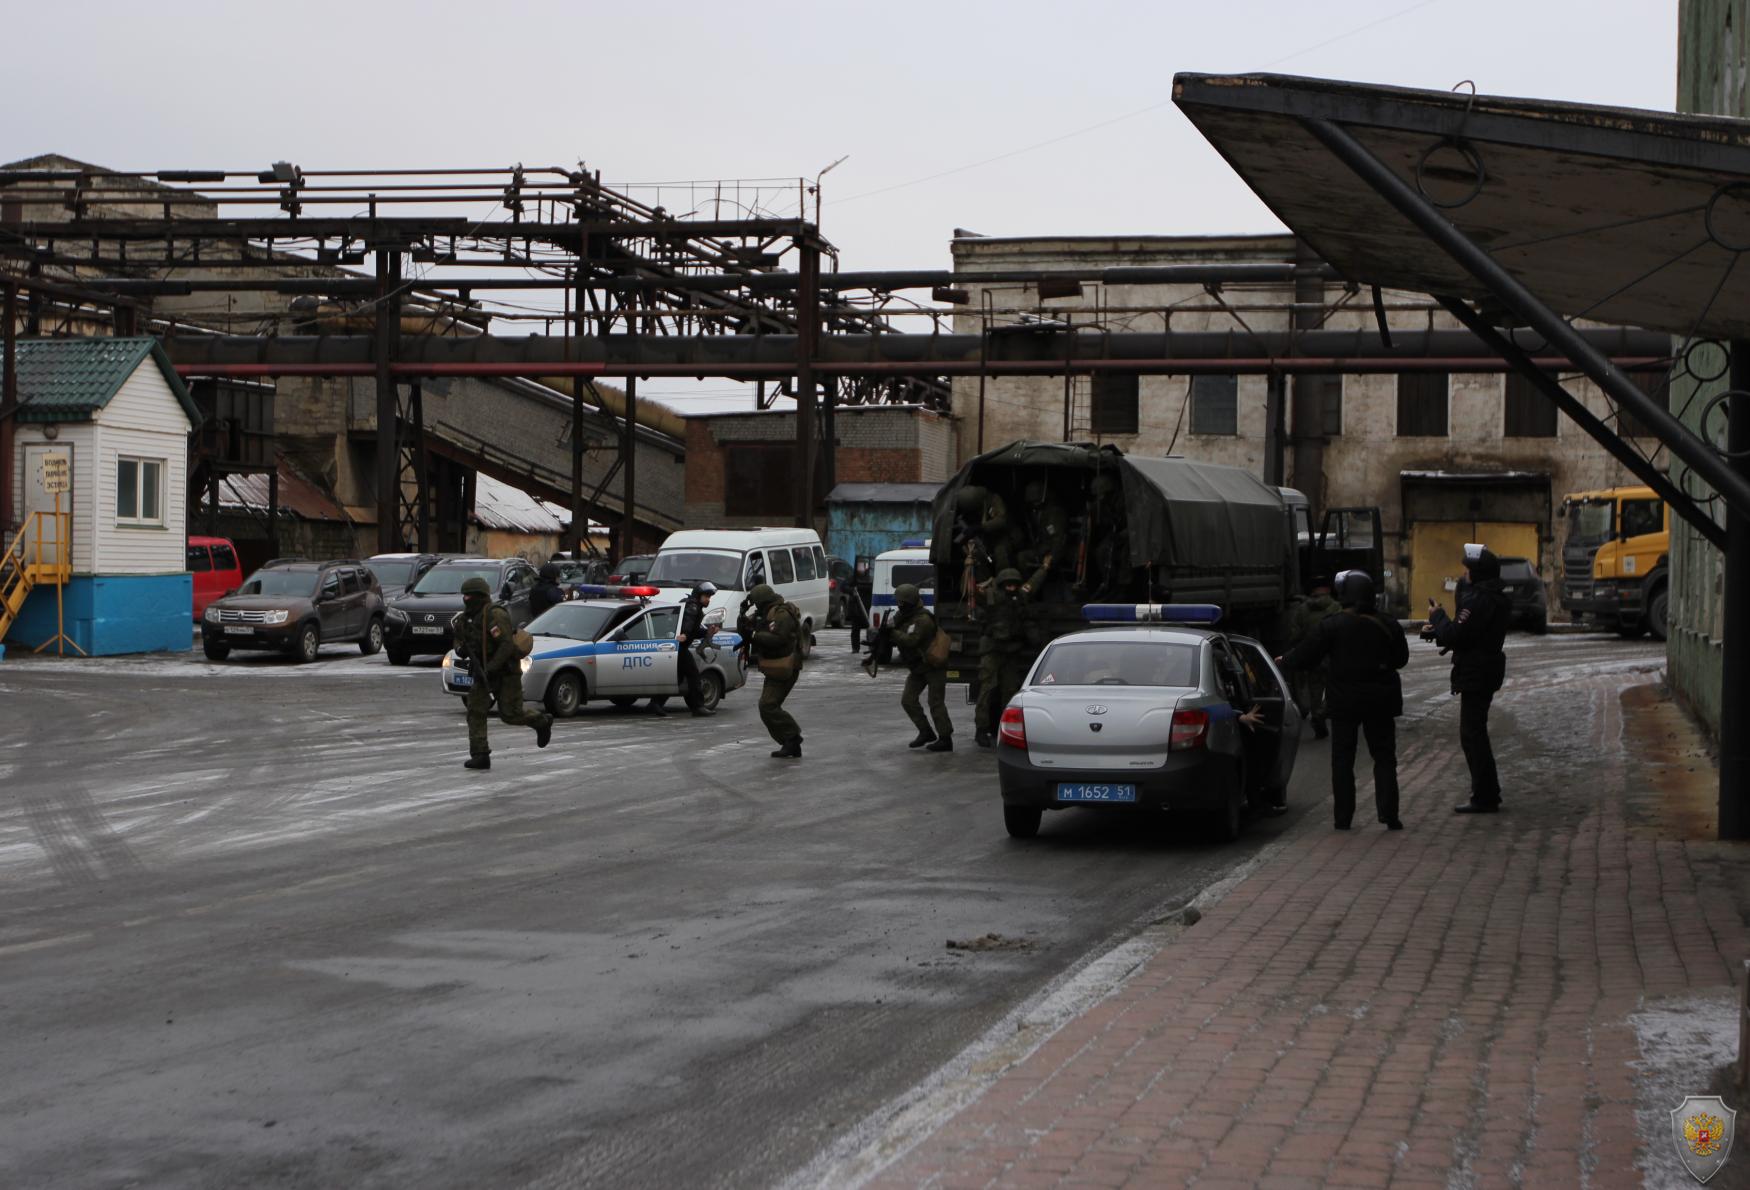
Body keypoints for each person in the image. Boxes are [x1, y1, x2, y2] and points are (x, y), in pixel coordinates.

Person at [1279, 570, 1408, 830]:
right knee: (1384, 757)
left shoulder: (1333, 625)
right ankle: (1389, 814)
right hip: (1381, 700)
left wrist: (1285, 660)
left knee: (1342, 759)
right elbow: (1401, 659)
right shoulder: (1388, 623)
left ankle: (1343, 818)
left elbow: (1307, 654)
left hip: (1345, 701)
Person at [1424, 543, 1511, 813]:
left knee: (1473, 734)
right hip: (1484, 668)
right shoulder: (1491, 596)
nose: (1463, 575)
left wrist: (1437, 616)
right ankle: (1487, 792)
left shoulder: (1480, 600)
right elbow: (1468, 635)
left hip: (1478, 671)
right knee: (1474, 733)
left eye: (1466, 571)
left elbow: (1457, 634)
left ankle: (1485, 796)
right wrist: (1440, 630)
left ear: (1477, 572)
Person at [453, 575, 552, 770]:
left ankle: (541, 722)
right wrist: (460, 650)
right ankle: (480, 754)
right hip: (481, 673)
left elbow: (506, 646)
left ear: (479, 596)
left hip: (505, 673)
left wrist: (491, 668)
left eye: (469, 596)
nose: (465, 600)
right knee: (475, 711)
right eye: (464, 596)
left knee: (510, 715)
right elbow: (458, 640)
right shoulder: (465, 619)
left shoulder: (495, 615)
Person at [973, 561, 1051, 748]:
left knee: (1010, 692)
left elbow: (1033, 583)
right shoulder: (991, 597)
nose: (1011, 587)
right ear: (1000, 584)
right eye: (1008, 584)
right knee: (987, 690)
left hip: (1011, 651)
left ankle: (1005, 729)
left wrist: (1044, 568)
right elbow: (975, 591)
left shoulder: (1021, 597)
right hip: (992, 650)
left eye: (1014, 584)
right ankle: (981, 730)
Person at [742, 583, 805, 759]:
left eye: (756, 603)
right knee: (767, 706)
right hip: (775, 666)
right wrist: (743, 620)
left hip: (786, 666)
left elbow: (778, 638)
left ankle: (792, 737)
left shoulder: (782, 614)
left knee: (768, 705)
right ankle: (790, 743)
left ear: (762, 601)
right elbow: (748, 629)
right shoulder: (765, 614)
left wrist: (754, 635)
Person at [890, 583, 953, 752]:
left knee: (935, 702)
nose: (899, 605)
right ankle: (926, 732)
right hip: (918, 667)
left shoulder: (923, 619)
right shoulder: (902, 616)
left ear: (909, 602)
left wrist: (892, 633)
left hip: (933, 666)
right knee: (908, 700)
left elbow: (911, 640)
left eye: (902, 602)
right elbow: (894, 634)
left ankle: (945, 738)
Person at [1287, 576, 1341, 739]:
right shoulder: (1336, 607)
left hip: (1313, 657)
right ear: (1329, 589)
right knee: (1335, 690)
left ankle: (1316, 715)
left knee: (1315, 692)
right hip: (1332, 656)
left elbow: (1294, 635)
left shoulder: (1302, 609)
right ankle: (1322, 714)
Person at [677, 581, 718, 717]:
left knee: (677, 676)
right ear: (699, 595)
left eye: (709, 597)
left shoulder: (694, 606)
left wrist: (707, 633)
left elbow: (694, 629)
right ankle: (698, 707)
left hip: (678, 648)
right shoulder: (693, 607)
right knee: (693, 675)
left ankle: (656, 703)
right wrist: (685, 634)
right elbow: (688, 623)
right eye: (706, 596)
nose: (708, 600)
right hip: (680, 647)